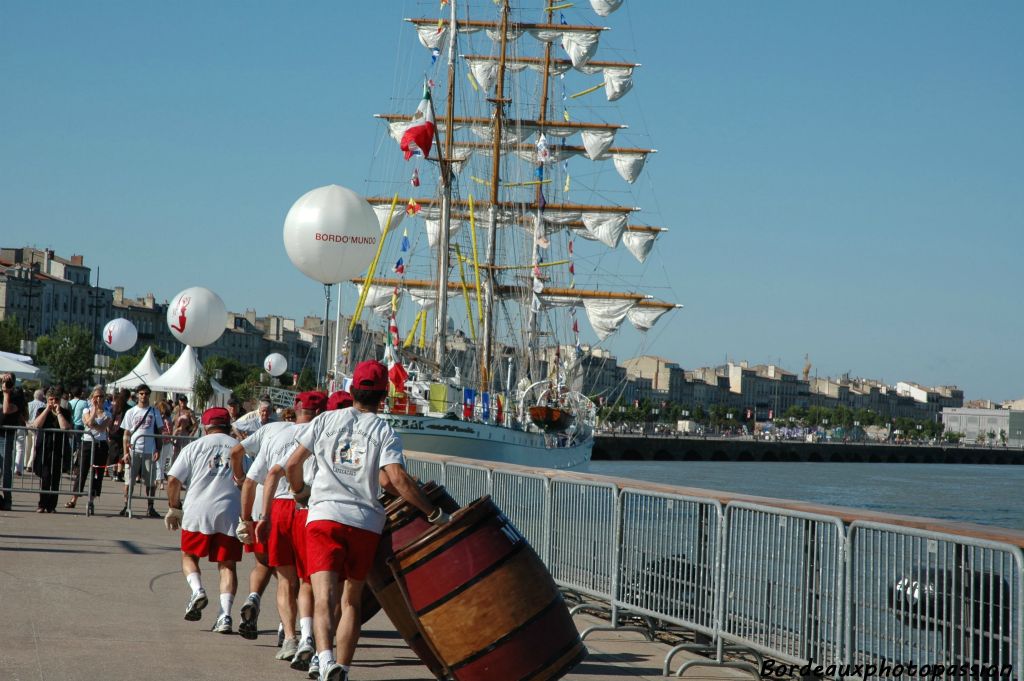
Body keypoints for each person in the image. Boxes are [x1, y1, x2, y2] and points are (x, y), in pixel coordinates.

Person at [284, 361, 450, 681]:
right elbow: (396, 480)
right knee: (350, 601)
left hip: (324, 517)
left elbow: (293, 464)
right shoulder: (384, 431)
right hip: (363, 522)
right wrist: (432, 512)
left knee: (324, 596)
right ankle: (343, 669)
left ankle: (324, 658)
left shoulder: (325, 420)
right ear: (383, 397)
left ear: (351, 390)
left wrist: (300, 492)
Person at [239, 391, 325, 669]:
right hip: (310, 508)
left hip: (278, 507)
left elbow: (264, 476)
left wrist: (257, 517)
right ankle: (308, 636)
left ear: (296, 409)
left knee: (285, 579)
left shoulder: (277, 433)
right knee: (309, 580)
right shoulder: (324, 432)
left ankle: (289, 637)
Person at [164, 407, 243, 634]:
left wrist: (174, 507)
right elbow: (247, 481)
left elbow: (173, 480)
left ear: (205, 426)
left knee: (189, 555)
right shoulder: (239, 449)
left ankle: (197, 590)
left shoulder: (195, 446)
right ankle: (225, 615)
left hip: (198, 510)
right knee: (227, 565)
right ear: (228, 425)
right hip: (229, 510)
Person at [227, 404, 296, 641]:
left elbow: (236, 453)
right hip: (287, 506)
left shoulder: (270, 431)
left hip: (259, 503)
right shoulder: (308, 434)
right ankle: (284, 629)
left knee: (263, 563)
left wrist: (238, 478)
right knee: (289, 574)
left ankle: (254, 597)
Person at [120, 384, 165, 518]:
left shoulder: (154, 411)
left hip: (149, 450)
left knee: (150, 482)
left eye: (146, 393)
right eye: (141, 393)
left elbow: (160, 432)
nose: (143, 396)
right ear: (137, 395)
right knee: (129, 481)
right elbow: (126, 434)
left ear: (149, 395)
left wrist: (158, 449)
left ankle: (150, 507)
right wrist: (125, 453)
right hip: (134, 450)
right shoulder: (131, 412)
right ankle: (126, 505)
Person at [67, 387, 111, 513]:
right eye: (96, 396)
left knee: (98, 473)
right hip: (87, 443)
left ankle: (91, 500)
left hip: (101, 445)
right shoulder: (86, 409)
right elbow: (88, 423)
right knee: (82, 470)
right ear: (92, 398)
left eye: (101, 396)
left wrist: (93, 423)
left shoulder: (107, 412)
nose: (98, 399)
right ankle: (74, 498)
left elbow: (102, 428)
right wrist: (94, 412)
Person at [30, 387, 73, 513]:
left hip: (59, 448)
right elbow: (37, 425)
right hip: (44, 446)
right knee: (45, 477)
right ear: (47, 400)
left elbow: (65, 427)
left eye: (56, 399)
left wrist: (58, 412)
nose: (53, 402)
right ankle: (42, 504)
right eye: (51, 399)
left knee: (55, 478)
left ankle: (52, 505)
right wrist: (48, 409)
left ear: (60, 400)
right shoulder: (41, 410)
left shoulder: (65, 412)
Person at [1, 374, 28, 510]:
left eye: (9, 381)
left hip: (6, 436)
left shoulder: (17, 396)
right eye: (5, 381)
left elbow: (6, 410)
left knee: (6, 469)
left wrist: (6, 393)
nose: (6, 383)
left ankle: (7, 500)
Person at [23, 388, 45, 474]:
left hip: (28, 426)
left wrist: (27, 423)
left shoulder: (28, 404)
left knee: (27, 446)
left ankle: (25, 463)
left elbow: (25, 415)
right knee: (34, 447)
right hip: (37, 427)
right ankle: (30, 464)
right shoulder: (43, 405)